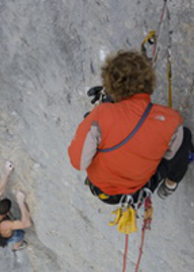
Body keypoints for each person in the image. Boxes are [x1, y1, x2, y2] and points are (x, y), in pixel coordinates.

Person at [68, 50, 193, 204]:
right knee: (185, 137)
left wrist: (95, 115)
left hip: (103, 188)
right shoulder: (171, 119)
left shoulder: (102, 115)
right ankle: (170, 184)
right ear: (150, 83)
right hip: (139, 187)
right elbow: (169, 153)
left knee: (92, 126)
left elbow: (78, 162)